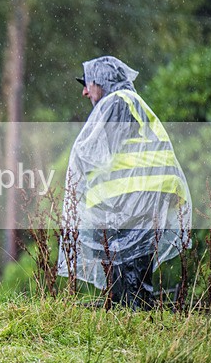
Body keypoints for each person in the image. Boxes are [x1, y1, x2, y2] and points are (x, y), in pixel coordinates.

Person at [57, 56, 192, 309]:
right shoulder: (126, 103)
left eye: (88, 83)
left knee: (130, 264)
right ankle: (127, 309)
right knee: (126, 261)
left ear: (104, 82)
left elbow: (100, 151)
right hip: (138, 193)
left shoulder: (117, 102)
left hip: (137, 194)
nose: (85, 91)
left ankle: (135, 312)